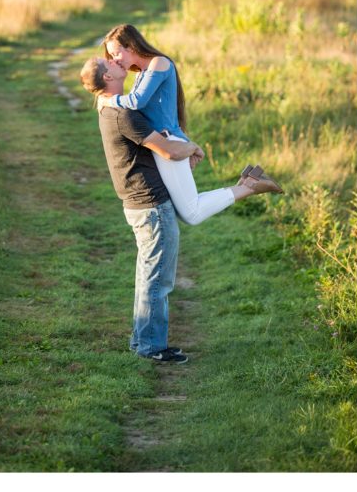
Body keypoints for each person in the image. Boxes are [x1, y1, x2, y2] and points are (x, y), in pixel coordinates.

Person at [79, 55, 278, 363]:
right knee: (158, 280)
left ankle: (143, 341)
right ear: (108, 78)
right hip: (151, 206)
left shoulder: (108, 108)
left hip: (139, 204)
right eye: (110, 63)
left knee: (149, 276)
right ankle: (151, 347)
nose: (116, 61)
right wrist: (193, 148)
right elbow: (169, 150)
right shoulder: (123, 113)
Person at [99, 23, 282, 224]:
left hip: (169, 140)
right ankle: (249, 183)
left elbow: (136, 101)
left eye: (116, 54)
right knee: (187, 209)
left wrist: (108, 100)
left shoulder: (158, 63)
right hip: (164, 142)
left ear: (131, 46)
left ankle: (250, 186)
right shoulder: (142, 72)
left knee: (192, 213)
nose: (115, 60)